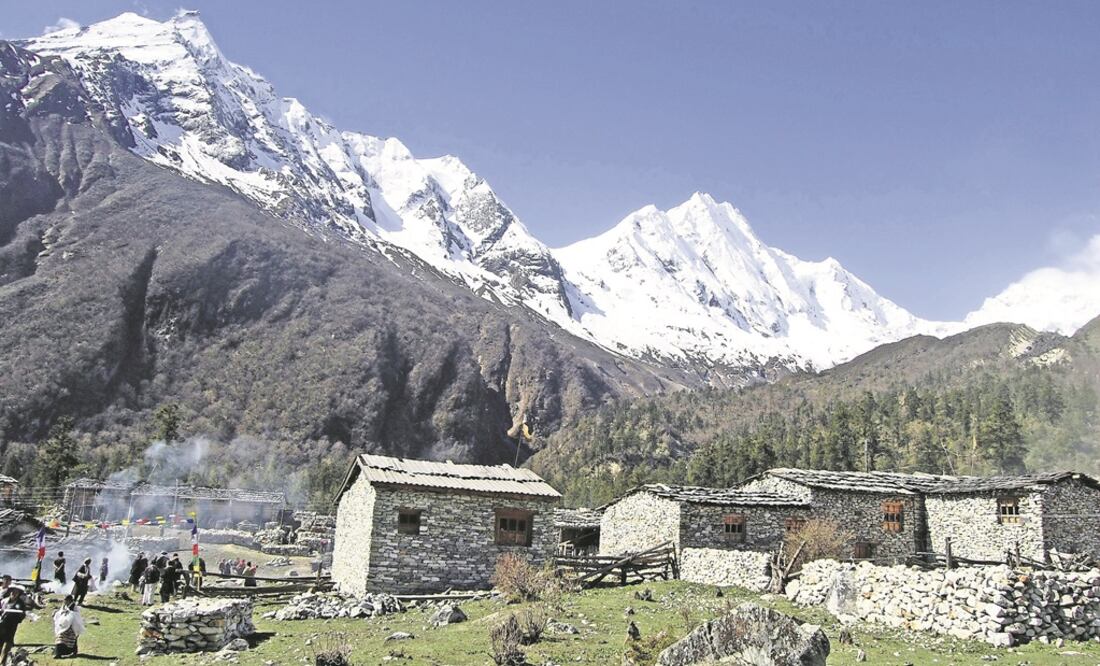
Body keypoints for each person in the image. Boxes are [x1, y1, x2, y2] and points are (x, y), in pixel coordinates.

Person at [0, 585, 28, 665]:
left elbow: (22, 615)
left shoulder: (20, 604)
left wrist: (16, 617)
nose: (14, 594)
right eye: (12, 592)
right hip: (1, 626)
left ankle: (3, 663)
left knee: (7, 646)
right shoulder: (3, 601)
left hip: (11, 627)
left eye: (16, 592)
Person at [52, 595, 84, 659]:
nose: (65, 602)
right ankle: (58, 653)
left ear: (69, 600)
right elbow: (60, 612)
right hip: (64, 625)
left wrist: (69, 613)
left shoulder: (74, 607)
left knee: (72, 639)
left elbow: (76, 615)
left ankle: (73, 650)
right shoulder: (64, 606)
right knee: (60, 638)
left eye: (66, 600)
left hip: (72, 626)